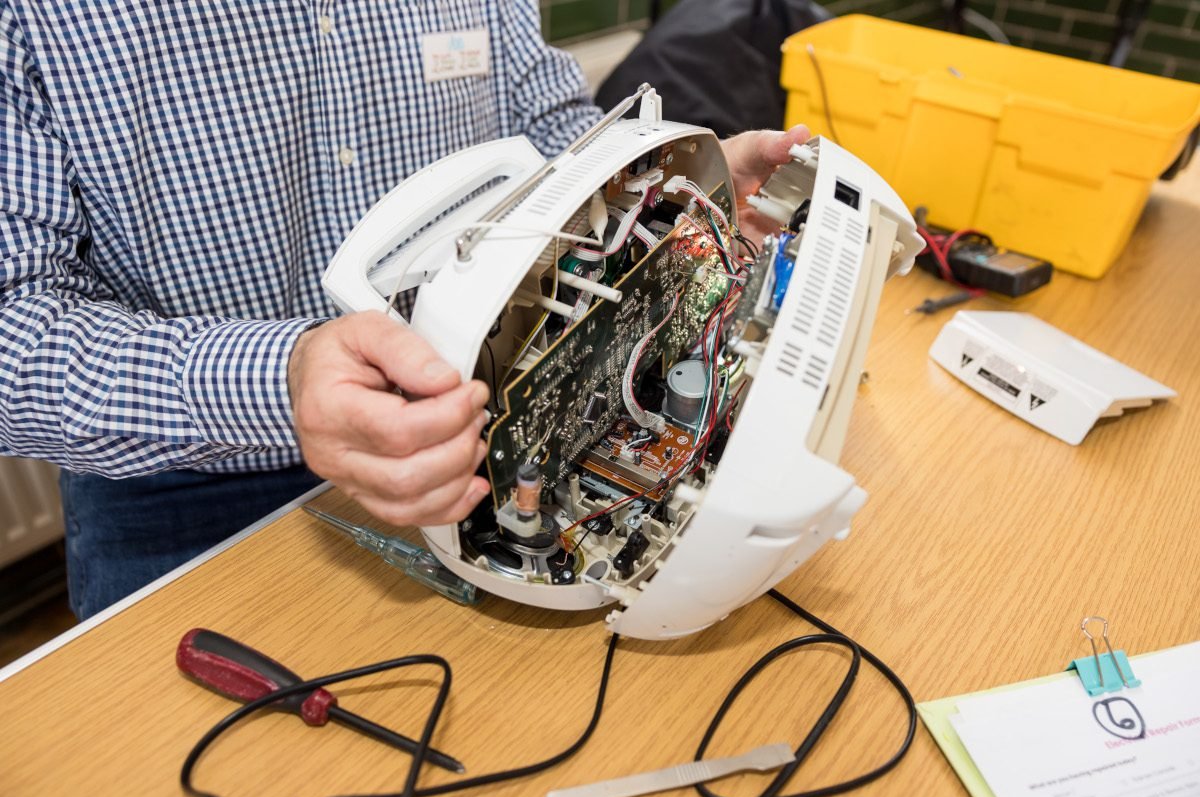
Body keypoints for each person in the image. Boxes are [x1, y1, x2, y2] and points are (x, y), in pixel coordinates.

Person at [0, 1, 808, 620]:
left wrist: (662, 195)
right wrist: (276, 380)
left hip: (506, 445)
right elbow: (15, 328)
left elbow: (554, 128)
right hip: (185, 492)